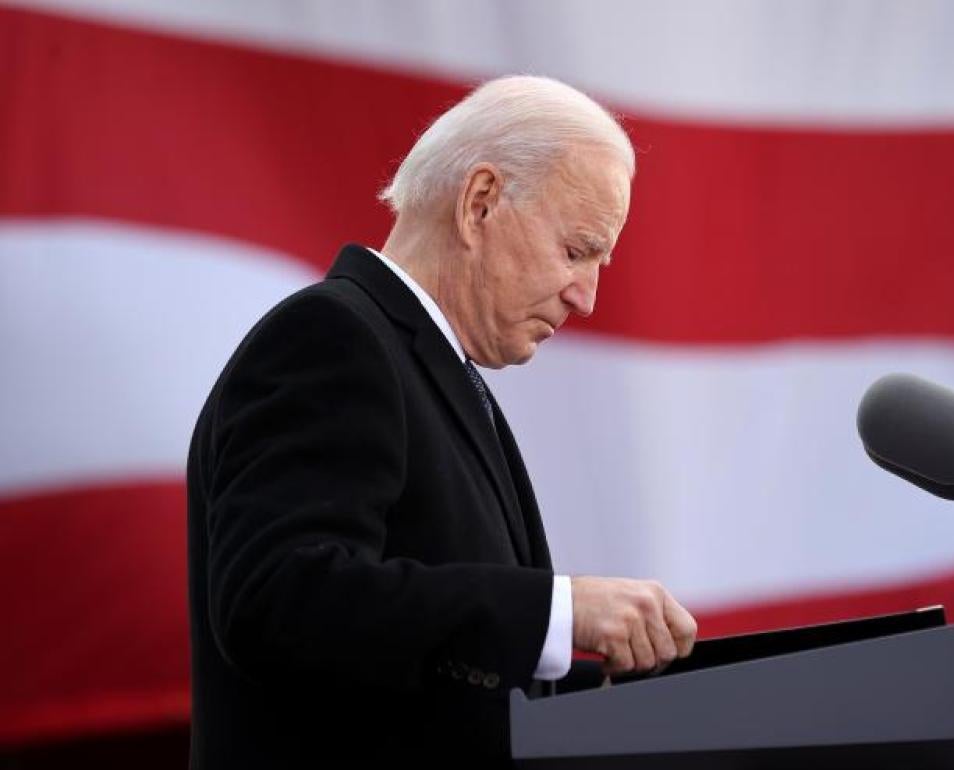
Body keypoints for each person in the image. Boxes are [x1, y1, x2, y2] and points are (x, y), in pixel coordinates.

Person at [185, 75, 698, 768]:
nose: (586, 298)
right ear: (480, 203)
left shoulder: (431, 370)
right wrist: (557, 611)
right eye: (577, 250)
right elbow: (278, 598)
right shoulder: (333, 338)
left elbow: (428, 677)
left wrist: (615, 693)